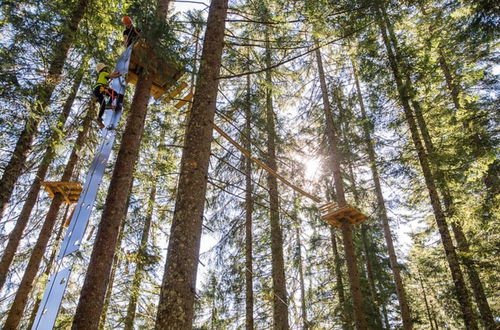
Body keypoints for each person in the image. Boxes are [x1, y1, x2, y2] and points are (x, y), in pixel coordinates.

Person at [93, 63, 121, 129]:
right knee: (115, 94)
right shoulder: (103, 73)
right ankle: (109, 104)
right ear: (103, 69)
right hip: (100, 88)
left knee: (103, 105)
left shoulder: (101, 75)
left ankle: (99, 118)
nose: (106, 69)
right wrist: (119, 74)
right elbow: (111, 76)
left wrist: (115, 74)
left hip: (97, 90)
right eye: (105, 68)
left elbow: (110, 76)